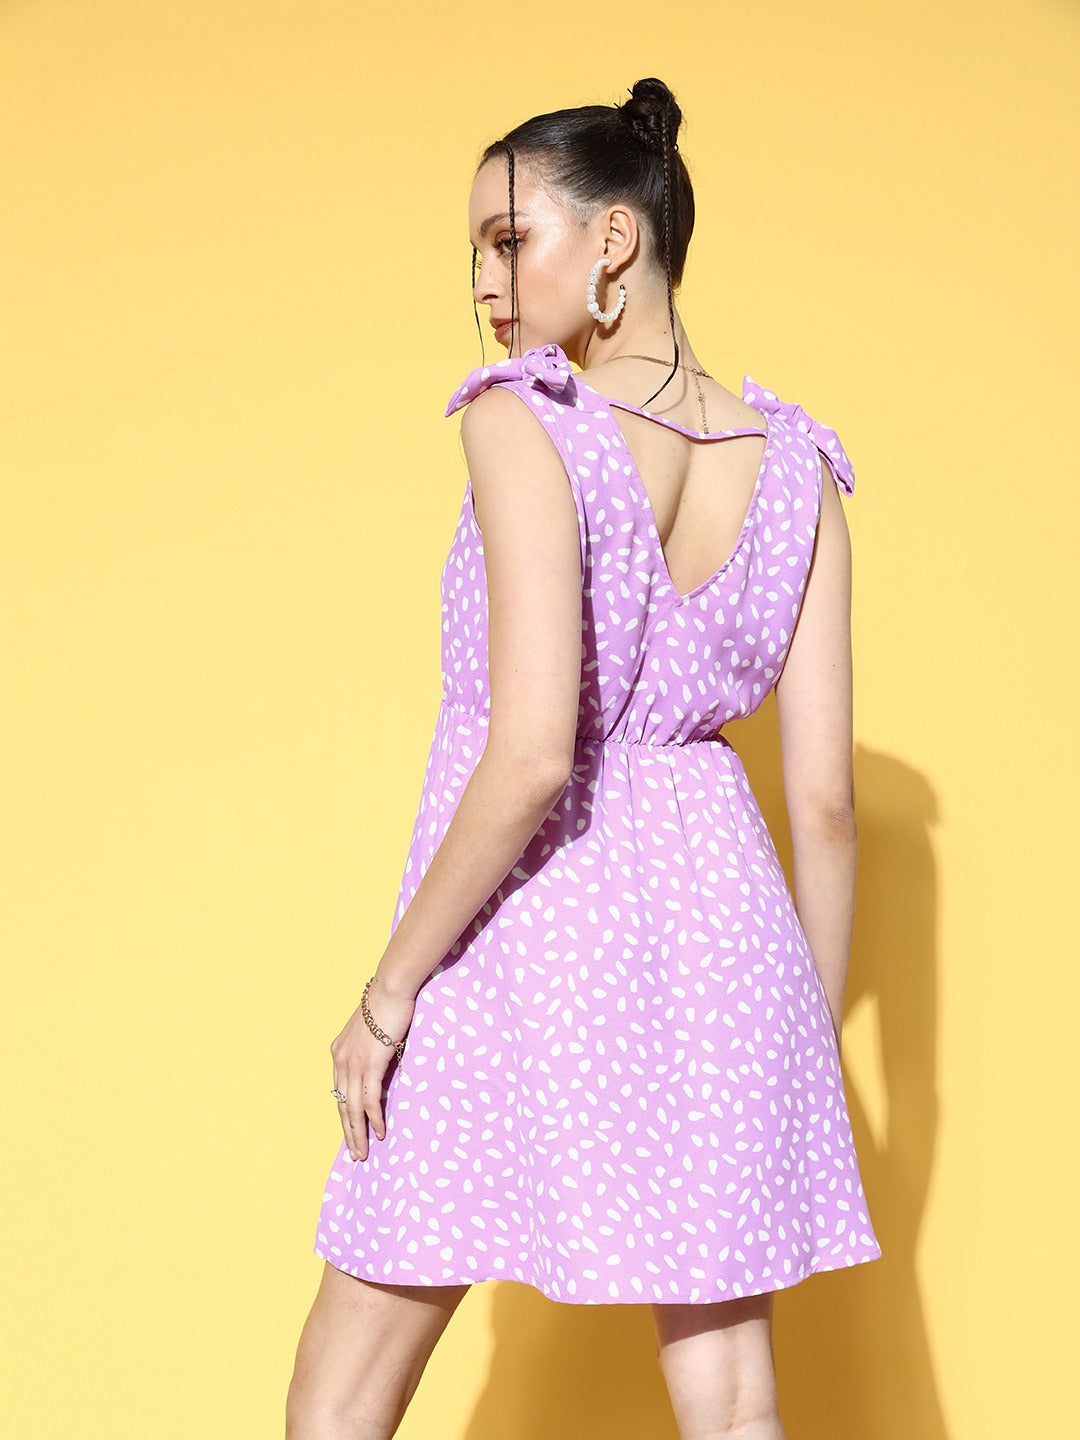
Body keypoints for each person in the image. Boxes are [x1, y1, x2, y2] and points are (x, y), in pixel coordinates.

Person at [286, 76, 881, 1440]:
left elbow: (531, 758)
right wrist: (796, 1039)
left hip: (521, 935)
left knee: (341, 1393)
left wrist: (387, 996)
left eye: (510, 242)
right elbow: (827, 807)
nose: (484, 285)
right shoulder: (798, 466)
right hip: (728, 954)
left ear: (615, 239)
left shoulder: (526, 419)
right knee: (734, 1407)